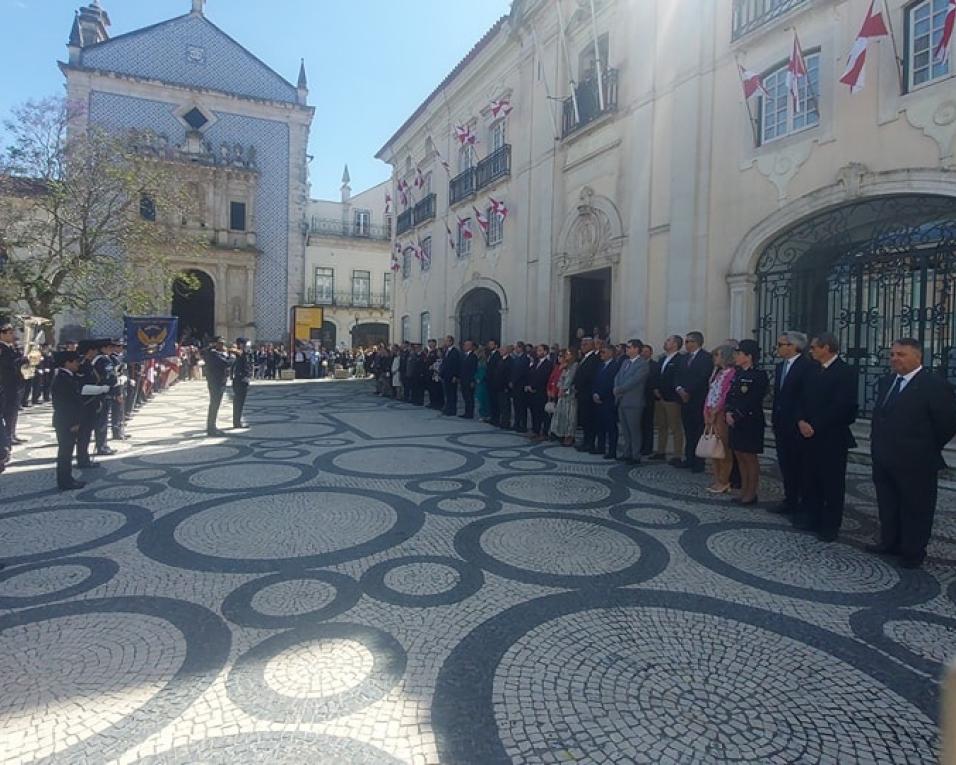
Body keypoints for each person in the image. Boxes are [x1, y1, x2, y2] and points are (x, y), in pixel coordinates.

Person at [868, 339, 956, 568]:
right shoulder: (887, 381)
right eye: (893, 354)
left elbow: (946, 423)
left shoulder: (934, 385)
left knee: (916, 508)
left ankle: (913, 551)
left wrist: (924, 445)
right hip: (885, 458)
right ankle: (890, 542)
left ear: (918, 357)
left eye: (902, 354)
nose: (895, 359)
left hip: (917, 460)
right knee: (888, 504)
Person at [795, 332, 858, 542]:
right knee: (809, 478)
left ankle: (830, 524)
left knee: (831, 482)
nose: (811, 351)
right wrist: (802, 420)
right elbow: (802, 397)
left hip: (831, 436)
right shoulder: (812, 370)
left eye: (814, 347)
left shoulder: (845, 372)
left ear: (827, 348)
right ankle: (811, 516)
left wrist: (816, 425)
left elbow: (843, 406)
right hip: (807, 434)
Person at [51, 350, 109, 491]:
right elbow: (65, 404)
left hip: (67, 420)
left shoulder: (67, 376)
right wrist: (74, 422)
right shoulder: (63, 378)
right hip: (66, 421)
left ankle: (67, 478)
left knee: (68, 451)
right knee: (65, 452)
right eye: (75, 361)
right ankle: (65, 481)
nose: (78, 364)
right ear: (67, 363)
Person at [769, 331, 812, 516]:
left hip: (797, 424)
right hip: (781, 422)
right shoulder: (780, 367)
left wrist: (801, 418)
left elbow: (806, 397)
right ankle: (790, 498)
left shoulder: (807, 367)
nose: (777, 347)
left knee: (799, 465)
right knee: (785, 463)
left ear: (793, 346)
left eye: (780, 344)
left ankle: (803, 501)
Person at [723, 341, 766, 504]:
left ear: (748, 356)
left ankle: (751, 492)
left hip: (750, 421)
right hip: (734, 420)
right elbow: (731, 395)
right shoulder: (738, 373)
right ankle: (743, 490)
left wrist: (737, 415)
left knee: (749, 457)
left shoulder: (758, 375)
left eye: (739, 353)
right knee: (739, 455)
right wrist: (728, 411)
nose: (736, 356)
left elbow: (753, 400)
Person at [675, 331, 713, 473]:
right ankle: (689, 458)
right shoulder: (684, 358)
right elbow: (677, 375)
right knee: (688, 431)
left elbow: (703, 377)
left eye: (689, 341)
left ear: (696, 342)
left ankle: (699, 461)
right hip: (684, 400)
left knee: (698, 432)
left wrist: (688, 391)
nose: (686, 344)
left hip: (698, 400)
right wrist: (679, 389)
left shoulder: (706, 358)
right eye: (686, 341)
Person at [703, 345, 736, 493]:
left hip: (720, 414)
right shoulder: (717, 373)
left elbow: (725, 394)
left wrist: (716, 411)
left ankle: (724, 480)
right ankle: (717, 479)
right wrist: (706, 411)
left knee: (723, 449)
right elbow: (711, 393)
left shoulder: (731, 373)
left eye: (717, 355)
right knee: (713, 449)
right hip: (711, 412)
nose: (715, 358)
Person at [614, 339, 650, 465]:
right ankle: (627, 452)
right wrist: (616, 387)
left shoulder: (642, 364)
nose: (627, 349)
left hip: (634, 401)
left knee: (634, 430)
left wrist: (620, 389)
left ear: (636, 349)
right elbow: (618, 376)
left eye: (629, 347)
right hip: (622, 400)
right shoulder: (625, 362)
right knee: (625, 430)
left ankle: (635, 455)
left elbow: (635, 380)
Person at [651, 335, 684, 462]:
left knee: (675, 427)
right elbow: (657, 375)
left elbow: (677, 378)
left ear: (675, 344)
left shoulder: (680, 359)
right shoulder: (663, 358)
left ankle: (677, 454)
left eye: (668, 341)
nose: (665, 342)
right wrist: (655, 388)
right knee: (661, 426)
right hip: (659, 397)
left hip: (672, 398)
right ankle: (660, 451)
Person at [573, 337, 601, 452]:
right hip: (581, 394)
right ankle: (586, 441)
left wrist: (578, 385)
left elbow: (588, 375)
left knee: (589, 420)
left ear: (592, 345)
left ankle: (590, 443)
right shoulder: (584, 358)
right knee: (584, 420)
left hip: (587, 394)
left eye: (586, 344)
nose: (583, 346)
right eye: (582, 344)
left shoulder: (594, 358)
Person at [593, 346, 620, 458]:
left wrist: (601, 395)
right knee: (600, 425)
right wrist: (594, 393)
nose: (601, 354)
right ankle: (600, 447)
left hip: (609, 400)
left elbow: (611, 383)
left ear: (611, 353)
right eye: (600, 352)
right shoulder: (600, 365)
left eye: (603, 352)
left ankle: (612, 451)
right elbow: (595, 381)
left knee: (611, 427)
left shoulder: (615, 366)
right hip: (597, 399)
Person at [203, 336, 234, 436]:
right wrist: (232, 356)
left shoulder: (213, 352)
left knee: (215, 405)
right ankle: (211, 428)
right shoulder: (213, 354)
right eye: (220, 343)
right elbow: (226, 363)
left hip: (218, 381)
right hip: (216, 382)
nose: (222, 345)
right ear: (214, 344)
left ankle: (212, 426)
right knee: (214, 404)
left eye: (223, 343)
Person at [550, 349, 579, 445]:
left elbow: (570, 379)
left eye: (568, 354)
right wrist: (559, 388)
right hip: (562, 394)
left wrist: (564, 389)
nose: (566, 356)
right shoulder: (566, 366)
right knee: (562, 416)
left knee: (570, 416)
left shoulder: (574, 365)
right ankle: (561, 434)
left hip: (570, 395)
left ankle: (569, 436)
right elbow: (561, 378)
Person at [527, 343, 553, 440]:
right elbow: (531, 374)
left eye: (540, 350)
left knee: (543, 413)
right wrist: (529, 385)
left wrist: (534, 386)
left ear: (545, 352)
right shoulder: (535, 362)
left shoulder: (548, 364)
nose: (537, 352)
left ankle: (544, 432)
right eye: (537, 350)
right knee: (534, 412)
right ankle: (535, 430)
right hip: (532, 392)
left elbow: (544, 377)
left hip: (541, 392)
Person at [508, 342, 531, 433]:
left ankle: (523, 425)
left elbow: (521, 372)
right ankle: (517, 423)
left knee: (522, 406)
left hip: (521, 385)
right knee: (516, 405)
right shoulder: (517, 358)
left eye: (517, 347)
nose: (515, 349)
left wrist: (513, 381)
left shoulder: (525, 359)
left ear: (521, 348)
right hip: (515, 386)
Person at [231, 337, 253, 429]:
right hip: (240, 380)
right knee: (238, 402)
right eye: (246, 344)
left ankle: (237, 421)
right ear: (241, 344)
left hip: (243, 380)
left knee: (240, 402)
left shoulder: (245, 354)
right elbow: (234, 351)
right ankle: (237, 422)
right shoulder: (239, 353)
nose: (248, 346)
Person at [639, 344, 656, 456]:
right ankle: (640, 445)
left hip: (649, 398)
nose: (644, 353)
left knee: (648, 424)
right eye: (642, 351)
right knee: (639, 424)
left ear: (650, 353)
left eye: (646, 351)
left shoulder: (654, 365)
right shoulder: (638, 364)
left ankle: (648, 447)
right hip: (638, 398)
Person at [440, 335, 461, 416]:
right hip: (446, 376)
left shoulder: (455, 352)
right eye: (445, 341)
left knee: (452, 393)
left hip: (452, 376)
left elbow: (456, 364)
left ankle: (452, 410)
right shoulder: (446, 351)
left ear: (451, 342)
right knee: (447, 393)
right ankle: (447, 408)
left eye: (447, 341)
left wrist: (455, 376)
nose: (445, 342)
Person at [494, 344, 514, 429]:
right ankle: (502, 421)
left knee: (506, 405)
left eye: (502, 350)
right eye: (500, 350)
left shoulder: (510, 361)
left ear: (507, 351)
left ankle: (506, 422)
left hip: (505, 387)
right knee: (501, 404)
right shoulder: (500, 360)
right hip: (499, 386)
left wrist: (507, 386)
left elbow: (509, 374)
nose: (500, 351)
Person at [459, 339, 478, 418]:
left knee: (469, 397)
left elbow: (473, 369)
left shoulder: (473, 357)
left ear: (471, 347)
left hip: (469, 380)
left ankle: (470, 413)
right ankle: (466, 412)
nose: (465, 346)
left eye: (467, 345)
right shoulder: (463, 356)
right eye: (464, 345)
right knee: (465, 397)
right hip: (463, 379)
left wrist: (472, 381)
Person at [485, 340, 501, 425]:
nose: (490, 346)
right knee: (491, 400)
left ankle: (496, 418)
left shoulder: (497, 355)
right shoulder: (490, 355)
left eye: (491, 344)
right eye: (489, 344)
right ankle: (492, 417)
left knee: (495, 401)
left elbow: (495, 369)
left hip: (494, 382)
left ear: (496, 345)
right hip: (489, 381)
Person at [475, 347, 491, 421]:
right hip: (478, 383)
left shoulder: (484, 362)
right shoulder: (478, 361)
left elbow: (483, 372)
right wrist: (476, 377)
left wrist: (480, 378)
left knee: (484, 399)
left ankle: (486, 414)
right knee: (480, 399)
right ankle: (482, 413)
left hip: (482, 383)